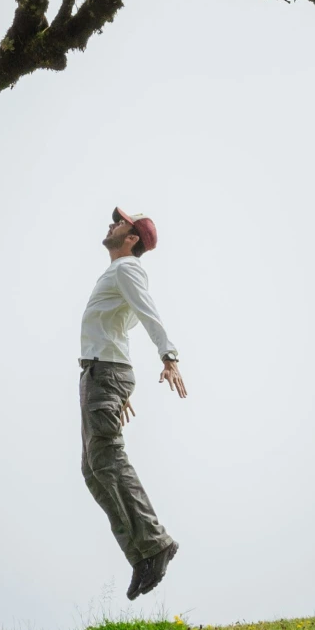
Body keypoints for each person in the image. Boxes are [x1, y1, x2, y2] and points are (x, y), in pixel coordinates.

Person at [79, 205, 186, 600]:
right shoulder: (116, 273)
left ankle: (156, 544)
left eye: (120, 222)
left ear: (132, 238)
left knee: (108, 460)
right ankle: (143, 554)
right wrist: (117, 388)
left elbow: (149, 313)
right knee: (94, 470)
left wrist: (168, 355)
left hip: (104, 373)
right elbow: (118, 329)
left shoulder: (127, 270)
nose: (112, 223)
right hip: (99, 374)